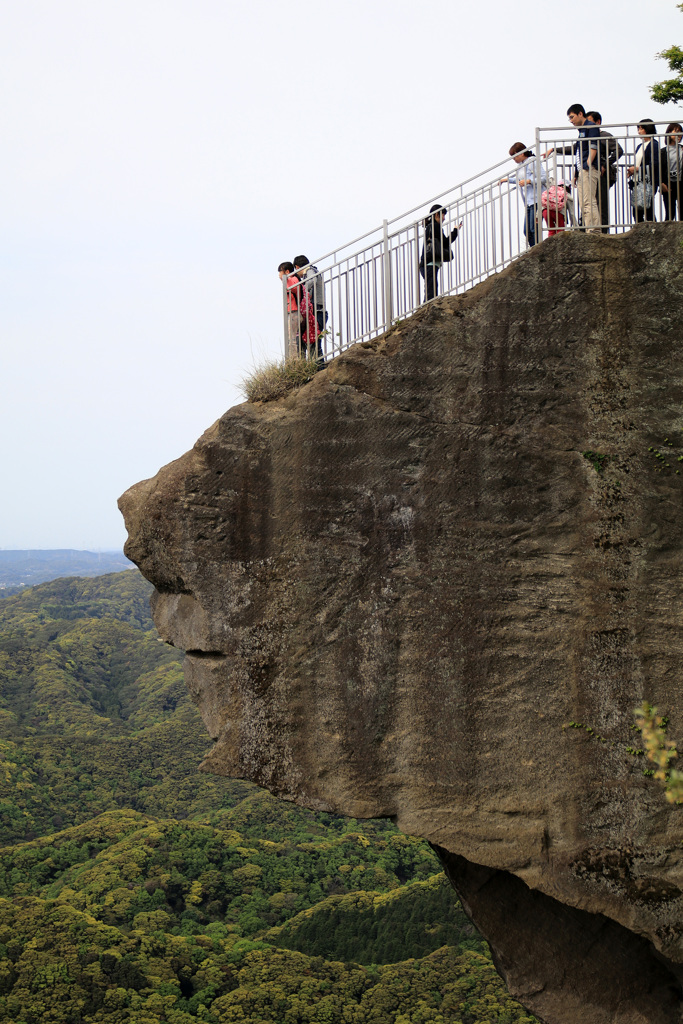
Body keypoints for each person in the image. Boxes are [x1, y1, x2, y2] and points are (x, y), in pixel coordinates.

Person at [500, 143, 547, 247]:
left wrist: (529, 181)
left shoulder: (533, 162)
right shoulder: (520, 166)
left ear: (521, 153)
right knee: (527, 230)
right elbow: (519, 180)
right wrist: (507, 180)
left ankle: (538, 250)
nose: (514, 159)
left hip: (537, 199)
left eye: (515, 156)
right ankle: (534, 249)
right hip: (528, 201)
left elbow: (543, 178)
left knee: (533, 229)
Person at [586, 111, 624, 232]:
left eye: (590, 122)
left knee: (601, 203)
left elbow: (618, 150)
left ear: (598, 122)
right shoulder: (587, 137)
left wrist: (605, 164)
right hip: (590, 172)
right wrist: (555, 149)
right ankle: (592, 228)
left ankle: (603, 231)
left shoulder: (603, 135)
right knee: (590, 202)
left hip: (601, 173)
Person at [567, 104, 601, 232]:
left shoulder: (590, 127)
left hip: (588, 169)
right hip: (582, 169)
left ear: (580, 114)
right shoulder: (582, 130)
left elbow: (593, 147)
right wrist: (576, 173)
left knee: (588, 200)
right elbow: (578, 152)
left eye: (572, 117)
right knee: (583, 202)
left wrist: (588, 163)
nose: (571, 121)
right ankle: (589, 228)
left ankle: (594, 229)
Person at [419, 204, 461, 302]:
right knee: (431, 292)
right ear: (437, 214)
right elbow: (445, 243)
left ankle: (427, 309)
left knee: (431, 289)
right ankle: (427, 311)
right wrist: (455, 231)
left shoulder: (431, 226)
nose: (444, 218)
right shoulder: (435, 226)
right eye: (443, 215)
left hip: (428, 264)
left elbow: (443, 243)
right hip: (429, 264)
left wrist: (455, 231)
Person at [294, 255, 327, 364]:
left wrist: (302, 289)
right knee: (312, 340)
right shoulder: (310, 272)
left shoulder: (310, 271)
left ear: (297, 267)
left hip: (318, 312)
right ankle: (318, 366)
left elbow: (312, 279)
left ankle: (320, 366)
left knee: (314, 341)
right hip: (317, 311)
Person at [627, 119, 660, 223]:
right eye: (638, 129)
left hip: (648, 181)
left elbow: (653, 164)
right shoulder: (640, 146)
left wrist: (636, 169)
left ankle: (653, 231)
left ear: (647, 129)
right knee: (637, 210)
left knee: (647, 208)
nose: (639, 131)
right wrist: (633, 170)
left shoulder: (654, 144)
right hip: (638, 181)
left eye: (641, 128)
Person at [660, 122, 683, 221]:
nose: (679, 134)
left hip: (681, 182)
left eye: (681, 132)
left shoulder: (682, 149)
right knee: (670, 213)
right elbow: (659, 168)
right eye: (676, 131)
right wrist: (661, 183)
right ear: (669, 133)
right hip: (668, 183)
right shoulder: (663, 151)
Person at [278, 261, 301, 358]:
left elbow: (295, 289)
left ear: (287, 272)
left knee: (291, 339)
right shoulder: (294, 279)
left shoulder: (292, 279)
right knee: (292, 338)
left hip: (293, 312)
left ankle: (293, 361)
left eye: (280, 272)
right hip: (293, 312)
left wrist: (285, 279)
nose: (279, 275)